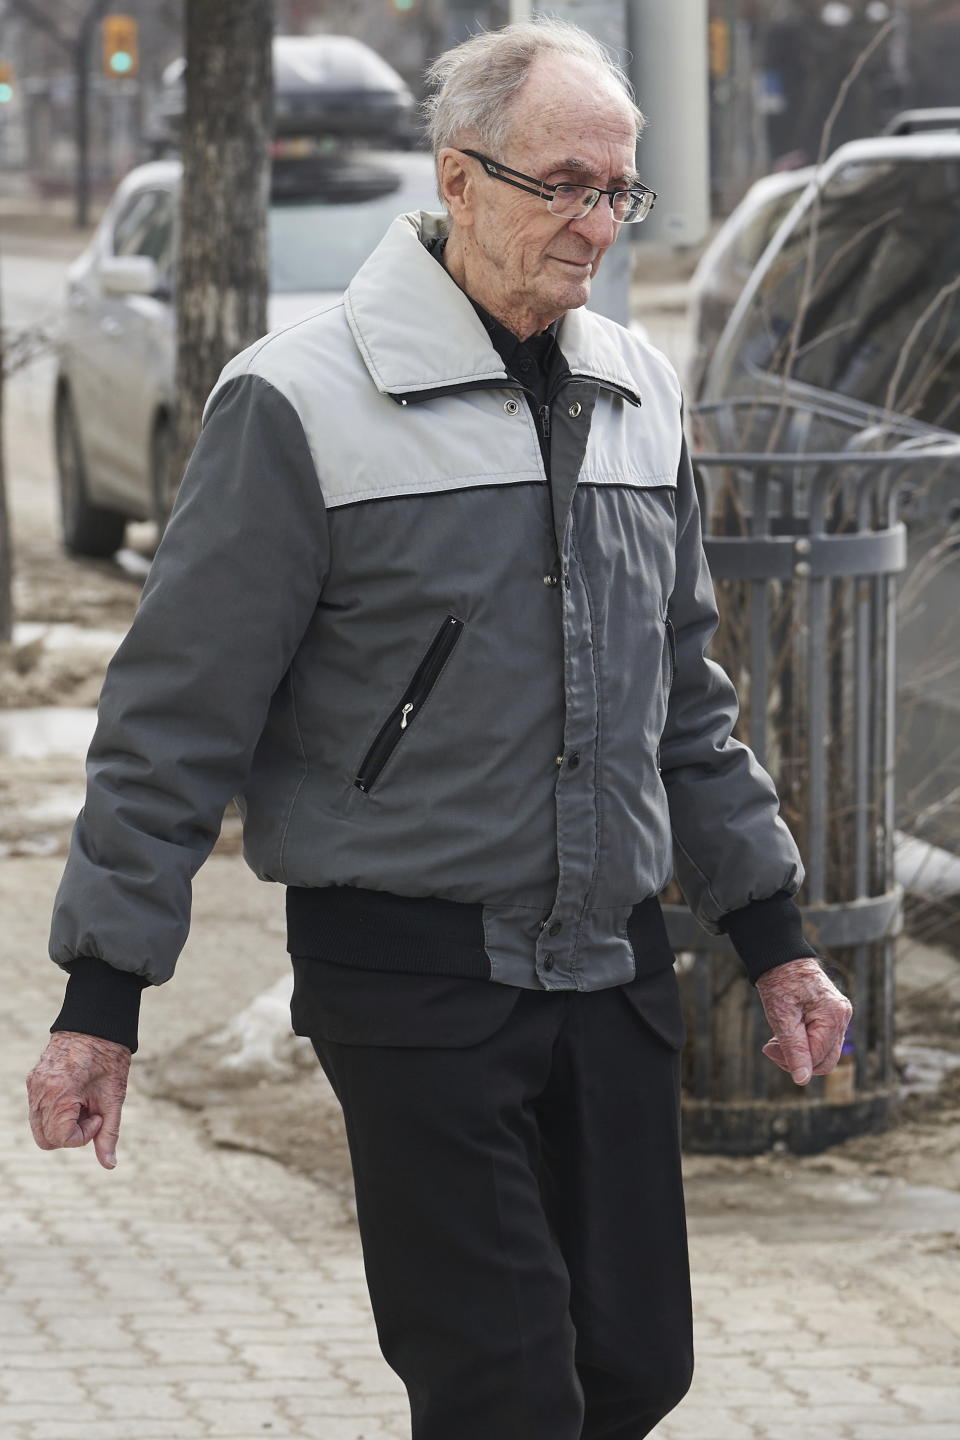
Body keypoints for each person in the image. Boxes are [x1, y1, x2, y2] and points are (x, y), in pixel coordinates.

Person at [27, 19, 852, 1440]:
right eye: (563, 184)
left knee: (637, 1371)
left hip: (612, 964)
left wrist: (773, 937)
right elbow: (173, 719)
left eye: (618, 190)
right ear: (457, 178)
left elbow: (687, 701)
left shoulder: (641, 395)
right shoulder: (297, 401)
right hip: (410, 973)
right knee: (506, 1391)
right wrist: (103, 1000)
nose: (595, 224)